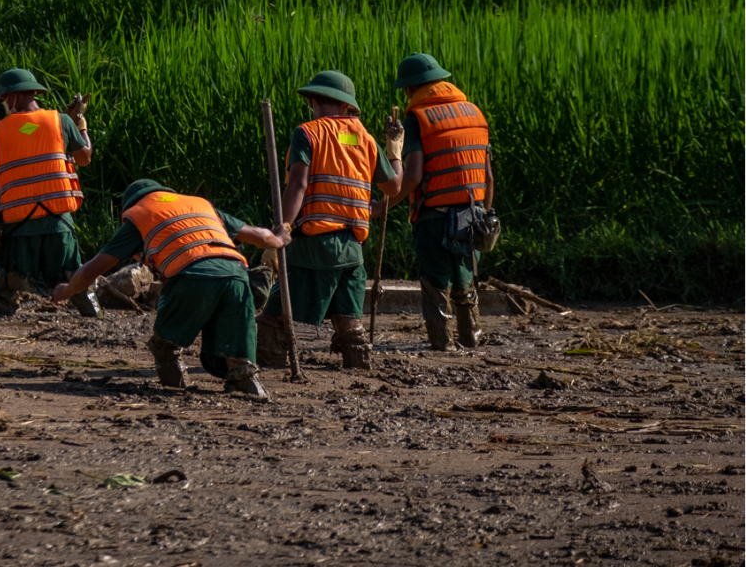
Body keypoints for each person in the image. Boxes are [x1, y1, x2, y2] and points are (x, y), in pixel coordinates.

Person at [54, 179, 291, 397]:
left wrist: (66, 290)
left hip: (190, 276)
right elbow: (259, 236)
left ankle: (174, 382)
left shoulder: (139, 215)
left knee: (165, 342)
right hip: (237, 276)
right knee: (238, 345)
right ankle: (246, 381)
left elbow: (92, 269)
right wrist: (279, 239)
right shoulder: (200, 205)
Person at [256, 70, 401, 371]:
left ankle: (268, 363)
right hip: (352, 248)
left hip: (313, 244)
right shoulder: (366, 139)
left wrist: (279, 232)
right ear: (347, 106)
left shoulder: (307, 133)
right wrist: (395, 151)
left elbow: (297, 185)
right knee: (349, 320)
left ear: (312, 100)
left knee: (275, 316)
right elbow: (394, 188)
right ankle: (357, 364)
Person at [387, 53, 494, 351]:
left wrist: (382, 207)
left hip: (435, 218)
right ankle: (470, 338)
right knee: (465, 282)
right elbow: (488, 179)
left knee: (435, 284)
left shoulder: (416, 119)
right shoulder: (474, 112)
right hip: (473, 217)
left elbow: (412, 177)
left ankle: (442, 345)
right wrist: (484, 215)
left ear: (410, 89)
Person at [0, 67, 101, 318]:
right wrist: (80, 126)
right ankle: (94, 315)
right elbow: (85, 158)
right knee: (75, 275)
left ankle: (1, 318)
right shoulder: (62, 121)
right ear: (34, 92)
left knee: (9, 284)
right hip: (58, 222)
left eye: (4, 99)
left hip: (18, 224)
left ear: (12, 97)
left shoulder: (0, 130)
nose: (4, 104)